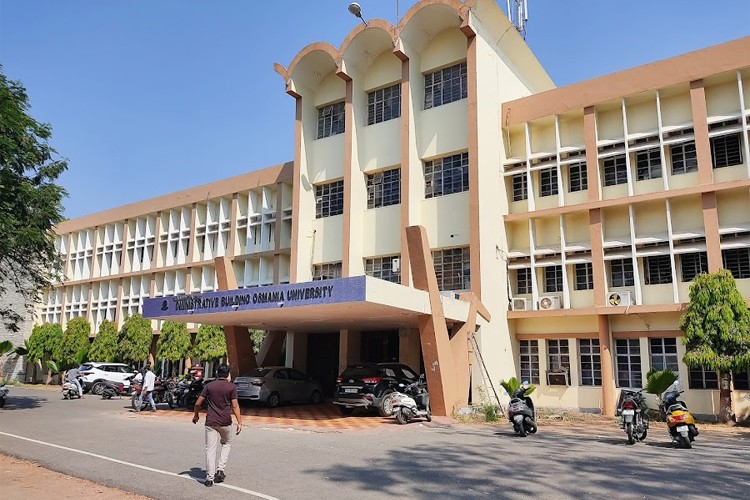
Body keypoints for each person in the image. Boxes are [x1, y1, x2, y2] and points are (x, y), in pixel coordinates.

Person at [192, 363, 242, 487]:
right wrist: (239, 421)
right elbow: (235, 405)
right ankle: (220, 470)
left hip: (211, 422)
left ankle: (209, 479)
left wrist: (196, 415)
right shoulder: (231, 387)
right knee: (226, 443)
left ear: (217, 373)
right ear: (228, 374)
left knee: (210, 449)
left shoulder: (209, 386)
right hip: (225, 422)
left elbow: (198, 403)